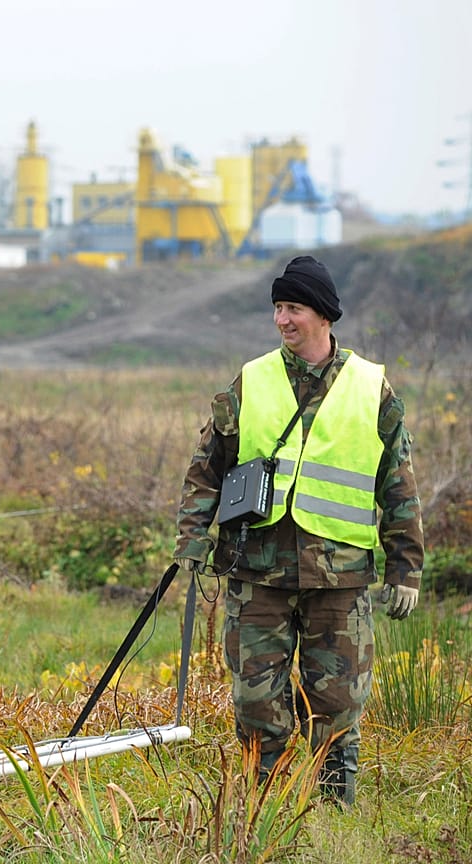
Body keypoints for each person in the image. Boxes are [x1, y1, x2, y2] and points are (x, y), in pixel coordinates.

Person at [173, 255, 425, 807]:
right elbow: (207, 464)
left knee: (337, 703)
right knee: (255, 699)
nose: (283, 320)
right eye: (278, 308)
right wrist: (192, 540)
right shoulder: (252, 379)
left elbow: (398, 486)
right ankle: (267, 804)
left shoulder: (372, 388)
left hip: (340, 576)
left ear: (324, 315)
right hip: (256, 569)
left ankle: (333, 808)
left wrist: (406, 567)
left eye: (294, 308)